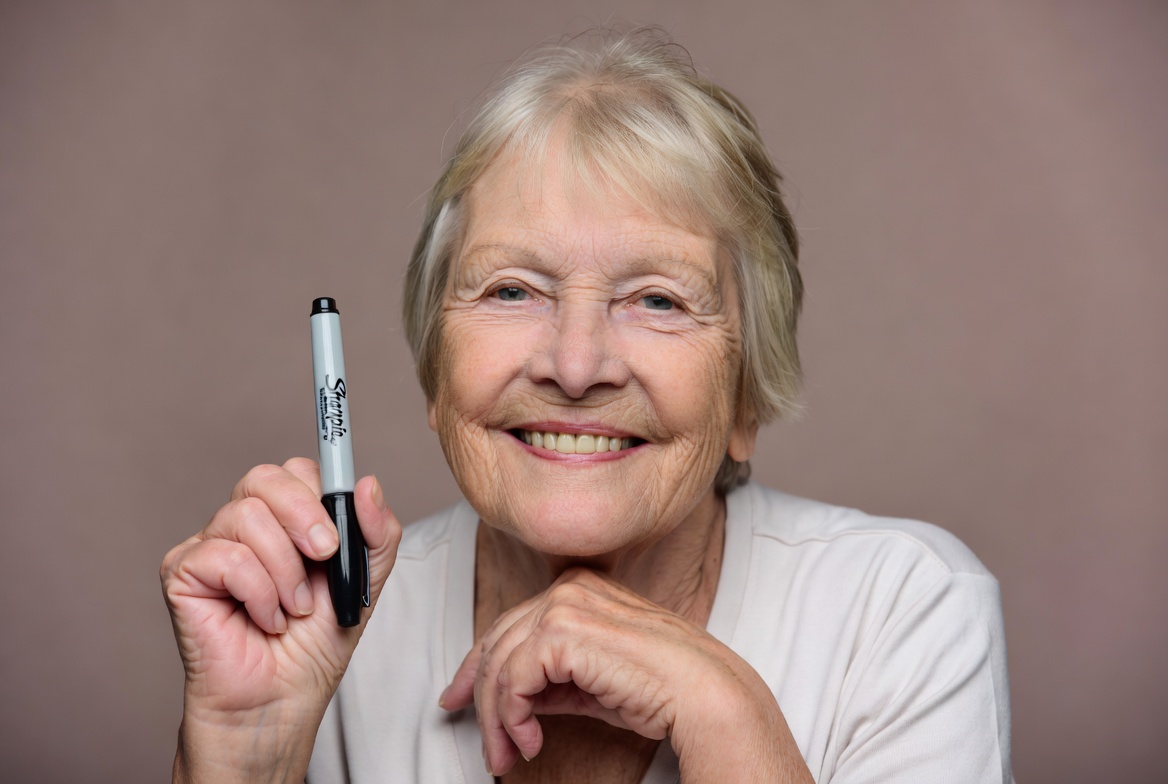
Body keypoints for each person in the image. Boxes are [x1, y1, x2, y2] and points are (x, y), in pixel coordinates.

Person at [161, 28, 1012, 783]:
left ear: (747, 393)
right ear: (435, 373)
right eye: (513, 290)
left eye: (658, 301)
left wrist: (726, 720)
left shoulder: (904, 611)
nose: (576, 365)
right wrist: (247, 757)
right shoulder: (338, 624)